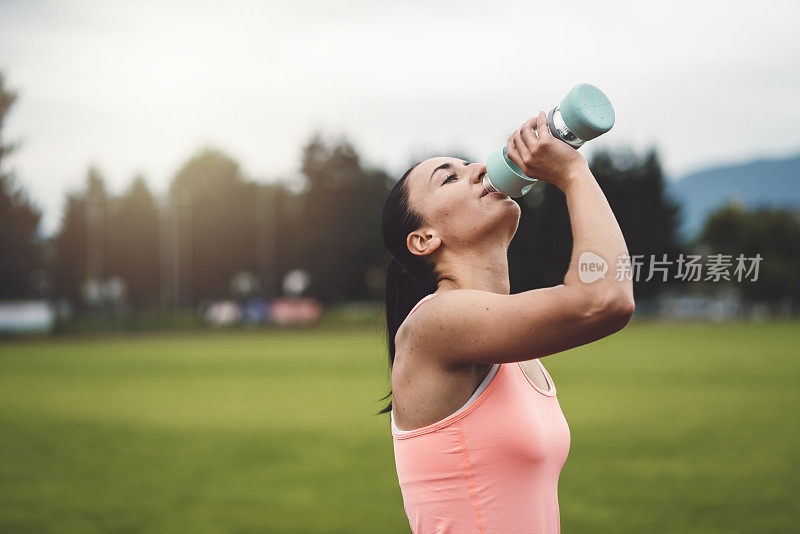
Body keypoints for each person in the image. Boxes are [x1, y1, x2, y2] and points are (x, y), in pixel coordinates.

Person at [378, 111, 635, 533]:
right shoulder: (436, 322)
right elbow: (605, 298)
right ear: (424, 240)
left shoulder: (511, 348)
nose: (480, 168)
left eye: (468, 164)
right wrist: (572, 172)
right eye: (449, 178)